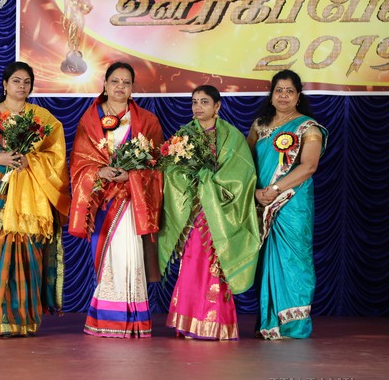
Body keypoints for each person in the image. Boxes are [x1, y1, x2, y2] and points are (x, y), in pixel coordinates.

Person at [0, 61, 71, 337]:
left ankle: (25, 321)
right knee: (4, 254)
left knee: (30, 256)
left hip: (31, 201)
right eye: (16, 81)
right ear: (5, 84)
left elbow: (56, 156)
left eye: (27, 82)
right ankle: (1, 320)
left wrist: (31, 160)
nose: (22, 86)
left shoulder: (41, 118)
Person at [69, 62, 164, 338]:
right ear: (105, 84)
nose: (120, 86)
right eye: (115, 81)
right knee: (109, 258)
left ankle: (134, 320)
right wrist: (99, 172)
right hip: (101, 200)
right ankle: (106, 319)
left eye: (126, 82)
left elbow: (159, 165)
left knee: (130, 257)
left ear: (132, 87)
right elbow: (79, 161)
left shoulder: (147, 120)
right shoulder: (90, 118)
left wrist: (131, 175)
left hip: (132, 201)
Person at [158, 85, 260, 340]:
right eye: (194, 102)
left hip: (220, 213)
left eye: (204, 102)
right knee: (192, 262)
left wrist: (207, 182)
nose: (198, 107)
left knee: (216, 264)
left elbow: (242, 175)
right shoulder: (183, 136)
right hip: (193, 212)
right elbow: (171, 173)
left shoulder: (232, 137)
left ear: (217, 106)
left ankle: (215, 324)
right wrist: (191, 180)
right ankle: (189, 323)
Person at [247, 69, 328, 340]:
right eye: (278, 90)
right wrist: (254, 192)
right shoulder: (259, 126)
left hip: (292, 203)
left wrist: (274, 190)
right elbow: (246, 164)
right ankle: (269, 322)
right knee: (266, 261)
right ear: (271, 95)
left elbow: (309, 166)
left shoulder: (308, 128)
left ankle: (293, 324)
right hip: (261, 202)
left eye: (289, 91)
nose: (283, 96)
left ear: (298, 96)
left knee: (294, 258)